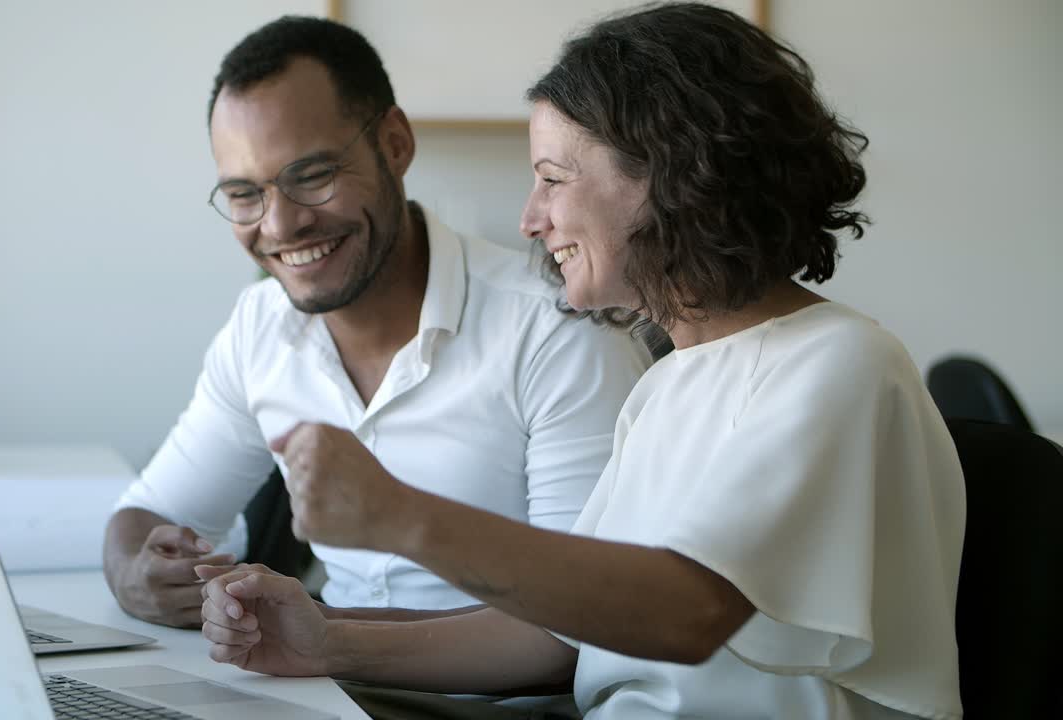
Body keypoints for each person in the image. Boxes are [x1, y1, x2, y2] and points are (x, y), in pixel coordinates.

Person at [196, 4, 966, 719]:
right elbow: (557, 636)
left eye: (554, 180)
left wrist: (401, 516)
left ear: (673, 173)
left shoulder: (841, 366)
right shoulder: (669, 381)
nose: (531, 219)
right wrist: (325, 639)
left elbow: (687, 612)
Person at [102, 16, 652, 630]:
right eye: (243, 194)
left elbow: (580, 624)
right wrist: (136, 575)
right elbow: (148, 513)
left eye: (311, 177)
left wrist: (326, 641)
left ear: (394, 144)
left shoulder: (558, 330)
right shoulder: (260, 327)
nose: (280, 226)